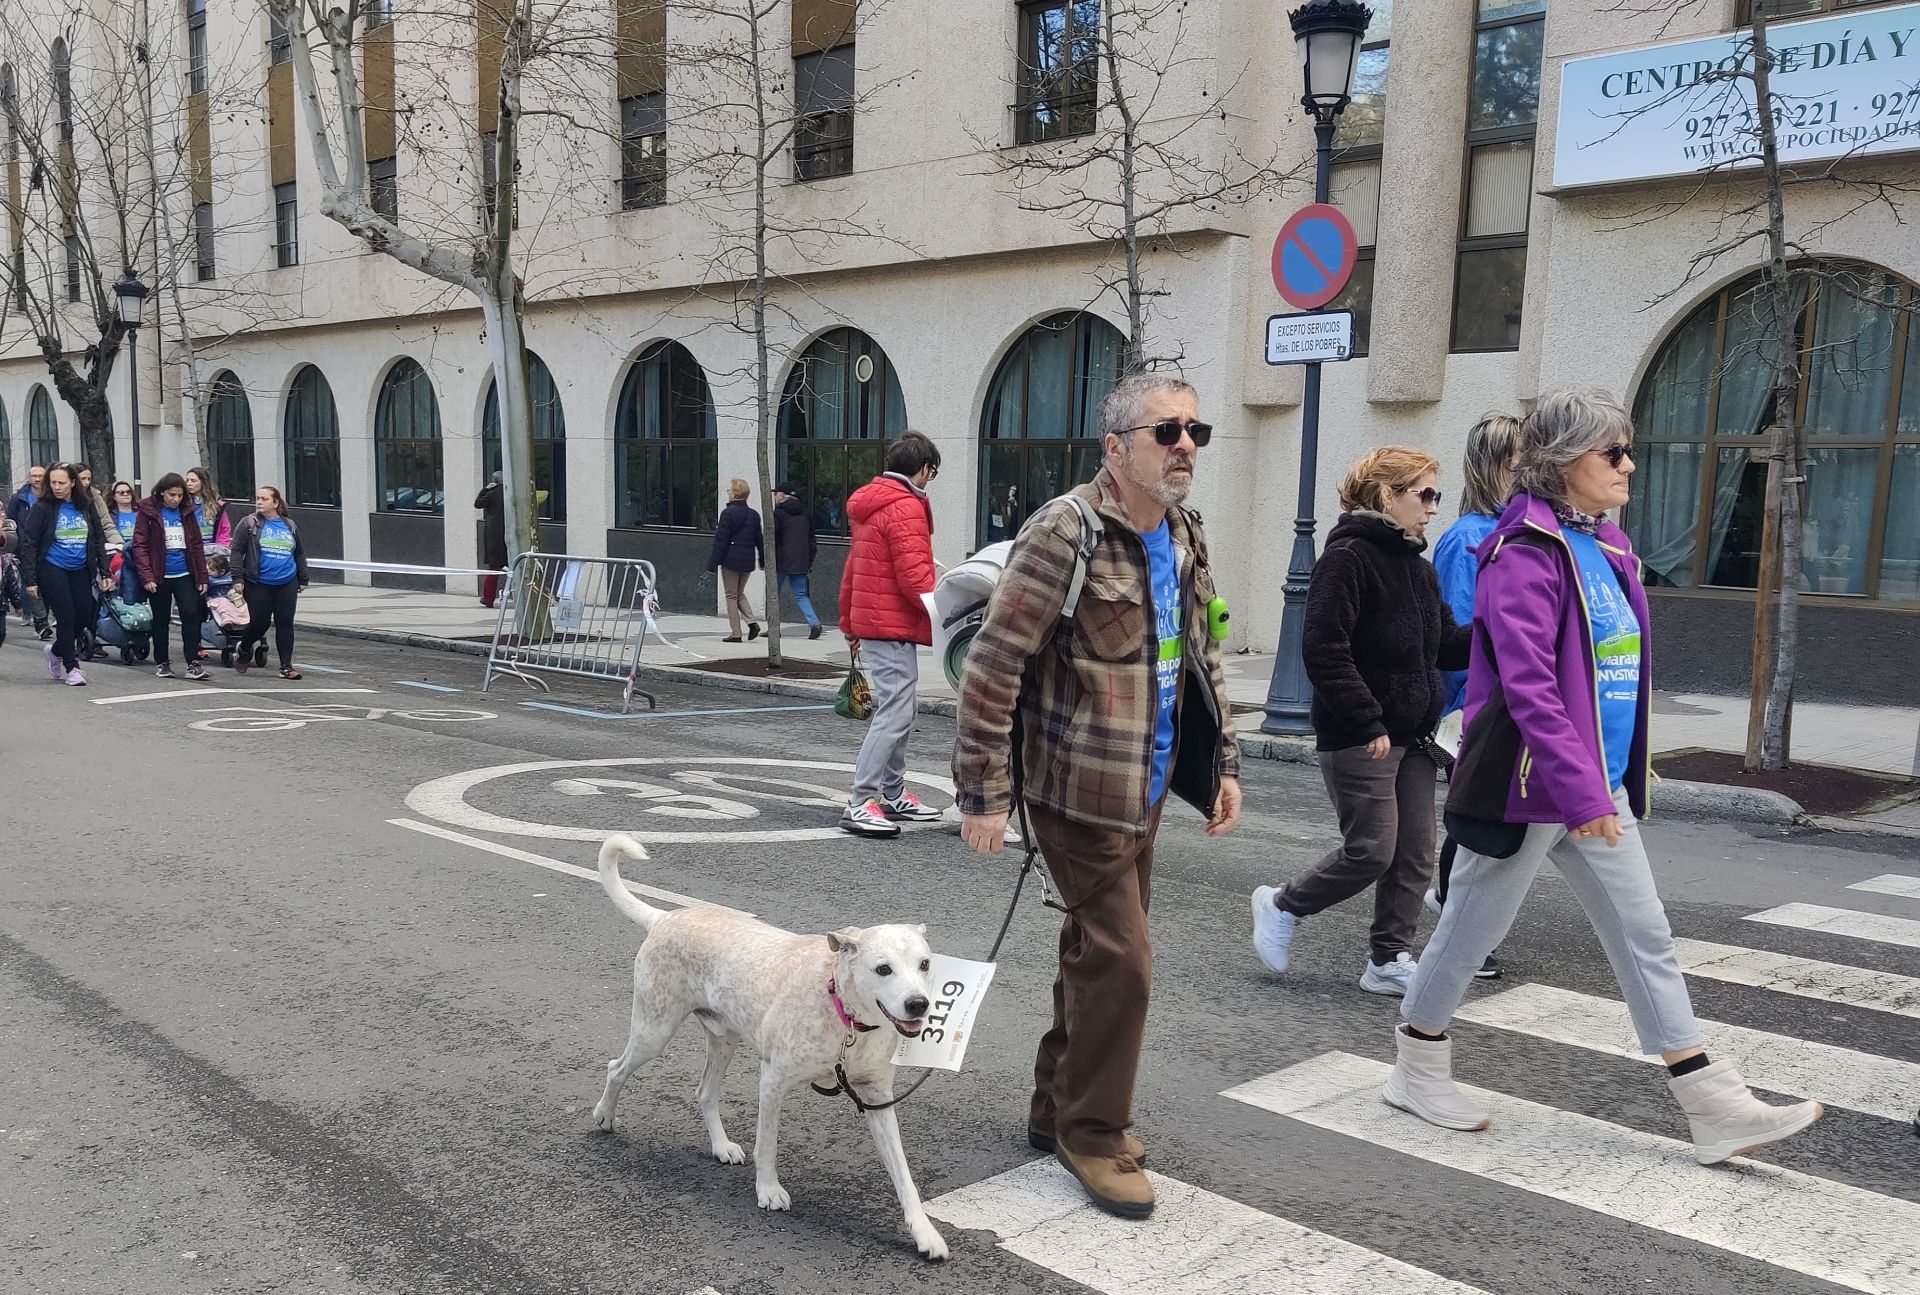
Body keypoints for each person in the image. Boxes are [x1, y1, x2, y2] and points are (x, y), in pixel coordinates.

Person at [1385, 390, 1823, 1164]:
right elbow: (1530, 689)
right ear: (1561, 465)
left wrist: (1612, 775)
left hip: (1592, 781)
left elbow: (1612, 671)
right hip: (1531, 782)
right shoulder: (1521, 554)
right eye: (1611, 452)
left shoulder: (1608, 546)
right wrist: (1585, 788)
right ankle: (1417, 1063)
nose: (1629, 464)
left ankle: (1710, 1102)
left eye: (1627, 448)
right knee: (1471, 928)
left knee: (1644, 930)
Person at [953, 374, 1243, 1220]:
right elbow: (992, 667)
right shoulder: (1064, 531)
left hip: (1146, 782)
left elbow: (1204, 656)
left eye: (1196, 429)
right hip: (1076, 785)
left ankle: (1054, 1108)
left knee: (1094, 949)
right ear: (1116, 448)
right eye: (1166, 431)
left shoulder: (1183, 530)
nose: (1185, 444)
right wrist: (985, 794)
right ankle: (1091, 1130)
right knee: (1123, 958)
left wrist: (1223, 764)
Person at [1249, 448, 1469, 997]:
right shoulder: (1347, 559)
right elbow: (1323, 648)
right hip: (1360, 735)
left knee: (1415, 852)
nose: (1433, 507)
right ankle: (1282, 904)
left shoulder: (1418, 568)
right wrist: (1368, 719)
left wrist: (1501, 631)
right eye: (1425, 494)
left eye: (1435, 494)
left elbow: (1442, 643)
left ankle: (1389, 958)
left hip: (1415, 736)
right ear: (1386, 495)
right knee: (1371, 848)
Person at [1427, 414, 1523, 981]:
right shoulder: (1467, 539)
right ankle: (1456, 919)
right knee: (1478, 821)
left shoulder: (1505, 532)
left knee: (1489, 820)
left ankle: (1458, 916)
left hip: (1495, 707)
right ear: (1495, 466)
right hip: (1476, 710)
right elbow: (1462, 635)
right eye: (1519, 461)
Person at [838, 433, 943, 838]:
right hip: (891, 623)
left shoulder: (873, 503)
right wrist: (946, 610)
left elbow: (854, 568)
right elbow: (916, 576)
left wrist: (849, 621)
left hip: (877, 620)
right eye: (932, 471)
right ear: (924, 468)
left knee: (902, 709)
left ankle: (891, 792)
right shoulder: (905, 506)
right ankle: (863, 800)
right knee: (896, 711)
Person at [17, 463, 111, 685]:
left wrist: (105, 571)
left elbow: (98, 539)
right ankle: (72, 667)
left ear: (72, 483)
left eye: (62, 482)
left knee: (85, 613)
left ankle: (57, 650)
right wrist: (30, 579)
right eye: (53, 482)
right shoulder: (43, 508)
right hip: (53, 567)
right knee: (66, 615)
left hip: (80, 568)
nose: (57, 487)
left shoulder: (86, 506)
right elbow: (29, 544)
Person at [132, 472, 212, 682]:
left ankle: (193, 662)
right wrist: (146, 575)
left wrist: (202, 576)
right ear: (162, 493)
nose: (175, 499)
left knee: (191, 614)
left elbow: (196, 545)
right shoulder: (148, 512)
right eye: (171, 495)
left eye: (179, 495)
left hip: (185, 572)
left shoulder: (187, 512)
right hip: (160, 574)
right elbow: (139, 545)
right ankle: (162, 662)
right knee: (161, 619)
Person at [230, 485, 310, 679]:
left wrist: (303, 577)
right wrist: (237, 577)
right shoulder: (249, 523)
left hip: (286, 581)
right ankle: (245, 648)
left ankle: (286, 666)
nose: (259, 502)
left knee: (285, 622)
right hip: (258, 582)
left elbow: (298, 552)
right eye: (257, 498)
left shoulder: (289, 524)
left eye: (264, 499)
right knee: (259, 623)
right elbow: (236, 551)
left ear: (275, 503)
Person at [708, 478, 764, 643]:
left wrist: (711, 565)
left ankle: (736, 633)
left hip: (730, 560)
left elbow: (721, 541)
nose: (728, 493)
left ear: (734, 493)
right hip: (747, 560)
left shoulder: (728, 514)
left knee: (731, 595)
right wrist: (762, 560)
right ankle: (752, 622)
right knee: (739, 593)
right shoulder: (753, 514)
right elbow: (759, 539)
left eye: (729, 491)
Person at [771, 482, 823, 640]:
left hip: (781, 561)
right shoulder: (805, 513)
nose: (775, 497)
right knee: (801, 595)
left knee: (773, 595)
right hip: (800, 561)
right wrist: (808, 560)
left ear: (782, 495)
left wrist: (767, 559)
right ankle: (814, 623)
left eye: (776, 494)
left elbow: (774, 538)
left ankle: (774, 629)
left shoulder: (779, 514)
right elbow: (812, 540)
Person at [8, 464, 52, 638]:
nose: (37, 479)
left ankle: (44, 618)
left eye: (41, 475)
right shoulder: (19, 498)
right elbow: (11, 523)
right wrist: (13, 546)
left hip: (47, 549)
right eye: (34, 475)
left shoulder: (50, 497)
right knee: (31, 585)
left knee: (46, 585)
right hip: (25, 548)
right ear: (29, 477)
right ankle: (41, 624)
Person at [476, 471, 508, 608]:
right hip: (511, 532)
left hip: (494, 535)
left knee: (494, 569)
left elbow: (477, 504)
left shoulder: (492, 493)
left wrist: (485, 489)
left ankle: (488, 598)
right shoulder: (511, 492)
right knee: (518, 567)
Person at [75, 467, 124, 549]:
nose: (86, 482)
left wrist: (118, 543)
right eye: (82, 479)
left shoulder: (96, 497)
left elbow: (106, 522)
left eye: (89, 479)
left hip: (94, 545)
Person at [185, 466, 232, 548]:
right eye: (187, 480)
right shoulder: (184, 504)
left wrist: (222, 548)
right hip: (192, 550)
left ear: (203, 482)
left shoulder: (217, 505)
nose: (189, 484)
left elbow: (224, 528)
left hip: (212, 550)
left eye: (193, 481)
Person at [108, 481, 139, 551]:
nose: (126, 494)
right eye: (121, 492)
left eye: (128, 492)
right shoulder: (109, 515)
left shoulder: (141, 512)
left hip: (138, 550)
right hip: (119, 552)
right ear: (114, 497)